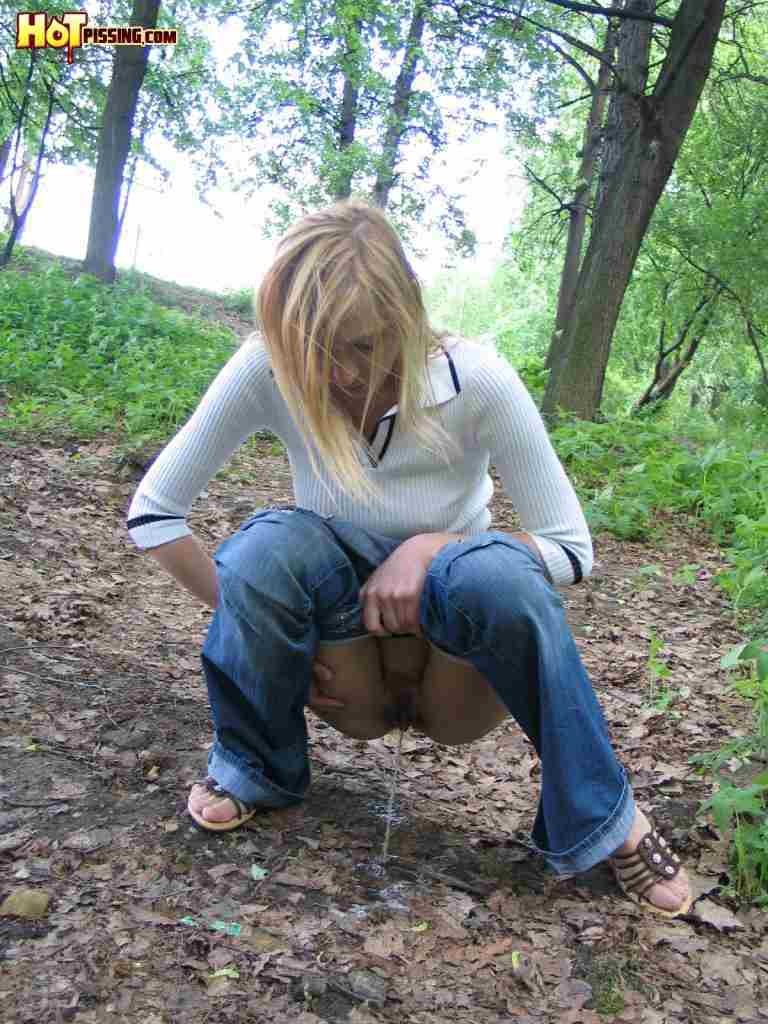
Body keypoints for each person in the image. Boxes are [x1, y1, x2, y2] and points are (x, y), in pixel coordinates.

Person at [127, 200, 692, 918]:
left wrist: (432, 548)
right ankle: (254, 766)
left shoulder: (475, 378)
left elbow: (571, 550)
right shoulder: (270, 368)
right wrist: (266, 638)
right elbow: (155, 513)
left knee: (490, 571)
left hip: (456, 655)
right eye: (314, 347)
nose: (338, 374)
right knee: (267, 548)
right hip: (346, 650)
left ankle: (607, 819)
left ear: (405, 317)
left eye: (362, 345)